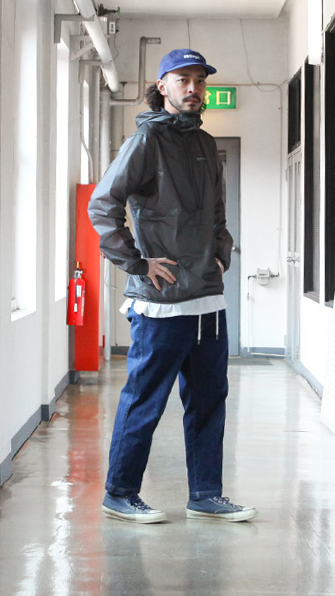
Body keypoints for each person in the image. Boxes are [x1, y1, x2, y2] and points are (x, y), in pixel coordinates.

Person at [88, 48, 257, 524]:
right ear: (162, 86)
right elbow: (102, 206)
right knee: (145, 401)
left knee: (208, 402)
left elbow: (218, 213)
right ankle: (120, 493)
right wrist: (137, 264)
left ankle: (205, 494)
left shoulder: (204, 144)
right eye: (183, 79)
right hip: (161, 304)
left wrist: (221, 252)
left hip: (207, 300)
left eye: (200, 81)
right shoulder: (145, 141)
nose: (193, 88)